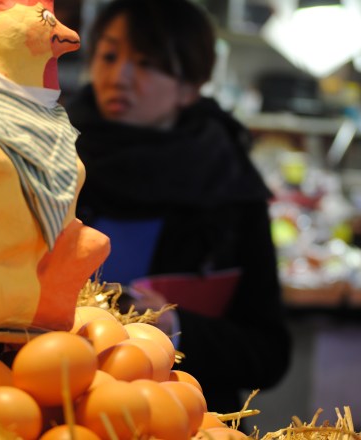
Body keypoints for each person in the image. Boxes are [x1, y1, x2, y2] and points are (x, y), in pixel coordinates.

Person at [66, 0, 291, 414]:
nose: (119, 76)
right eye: (109, 55)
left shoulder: (228, 185)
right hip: (58, 402)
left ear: (190, 84)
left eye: (147, 63)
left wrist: (176, 327)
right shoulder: (52, 156)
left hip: (181, 416)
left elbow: (269, 352)